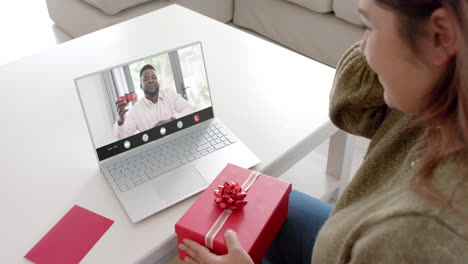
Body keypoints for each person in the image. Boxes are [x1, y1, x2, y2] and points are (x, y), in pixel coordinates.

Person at [179, 0, 468, 263]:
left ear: (440, 36)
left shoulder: (415, 237)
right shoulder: (440, 91)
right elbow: (349, 106)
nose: (362, 48)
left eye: (368, 26)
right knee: (254, 206)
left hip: (365, 244)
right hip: (350, 234)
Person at [114, 64, 194, 140]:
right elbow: (123, 138)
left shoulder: (169, 94)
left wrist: (170, 121)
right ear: (141, 86)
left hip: (177, 139)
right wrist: (120, 121)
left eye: (154, 77)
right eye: (146, 79)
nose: (151, 80)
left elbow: (190, 110)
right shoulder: (136, 110)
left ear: (157, 81)